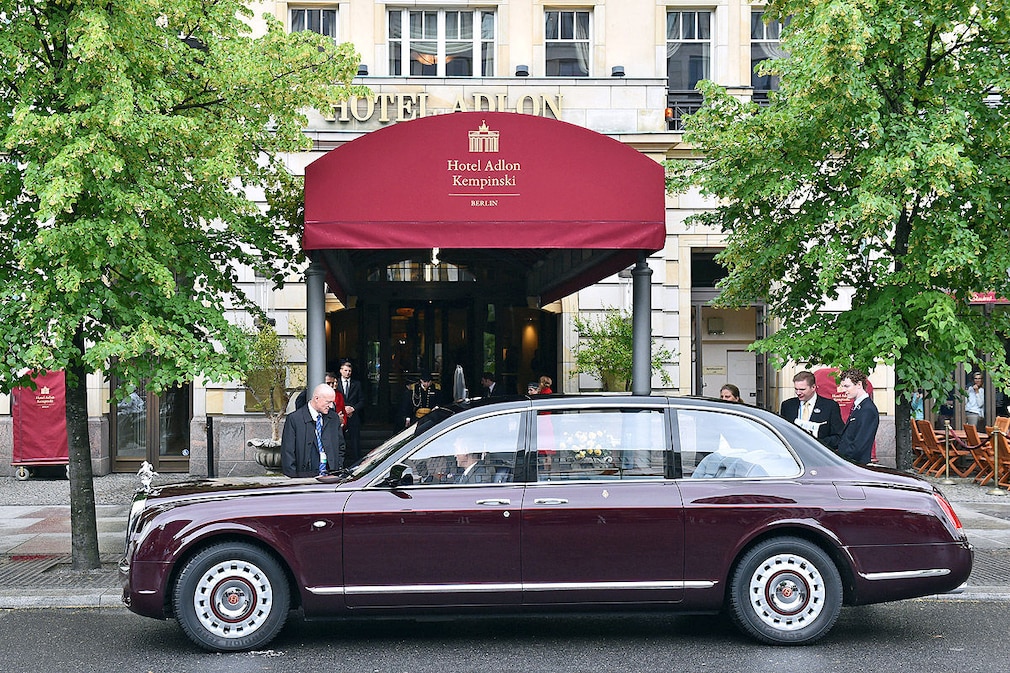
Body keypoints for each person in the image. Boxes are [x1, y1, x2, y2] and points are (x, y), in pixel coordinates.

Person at [281, 383, 345, 478]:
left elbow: (340, 446)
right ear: (316, 398)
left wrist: (338, 468)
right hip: (304, 477)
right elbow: (288, 452)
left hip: (330, 476)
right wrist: (294, 478)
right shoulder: (295, 419)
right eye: (328, 402)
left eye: (332, 402)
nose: (331, 406)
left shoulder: (334, 418)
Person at [780, 371, 844, 449]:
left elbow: (839, 437)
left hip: (818, 454)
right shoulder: (787, 405)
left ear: (813, 387)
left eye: (802, 389)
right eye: (796, 389)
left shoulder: (830, 406)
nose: (798, 392)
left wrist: (818, 443)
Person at [837, 368, 878, 465]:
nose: (844, 390)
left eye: (847, 386)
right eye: (843, 386)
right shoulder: (860, 406)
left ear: (859, 384)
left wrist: (841, 458)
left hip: (855, 464)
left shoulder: (867, 409)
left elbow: (860, 444)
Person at [335, 360, 364, 467]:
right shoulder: (336, 383)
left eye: (349, 371)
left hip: (353, 416)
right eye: (345, 370)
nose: (347, 373)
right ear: (341, 371)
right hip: (340, 416)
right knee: (340, 441)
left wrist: (353, 408)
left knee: (355, 441)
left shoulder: (357, 384)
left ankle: (357, 464)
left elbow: (362, 400)